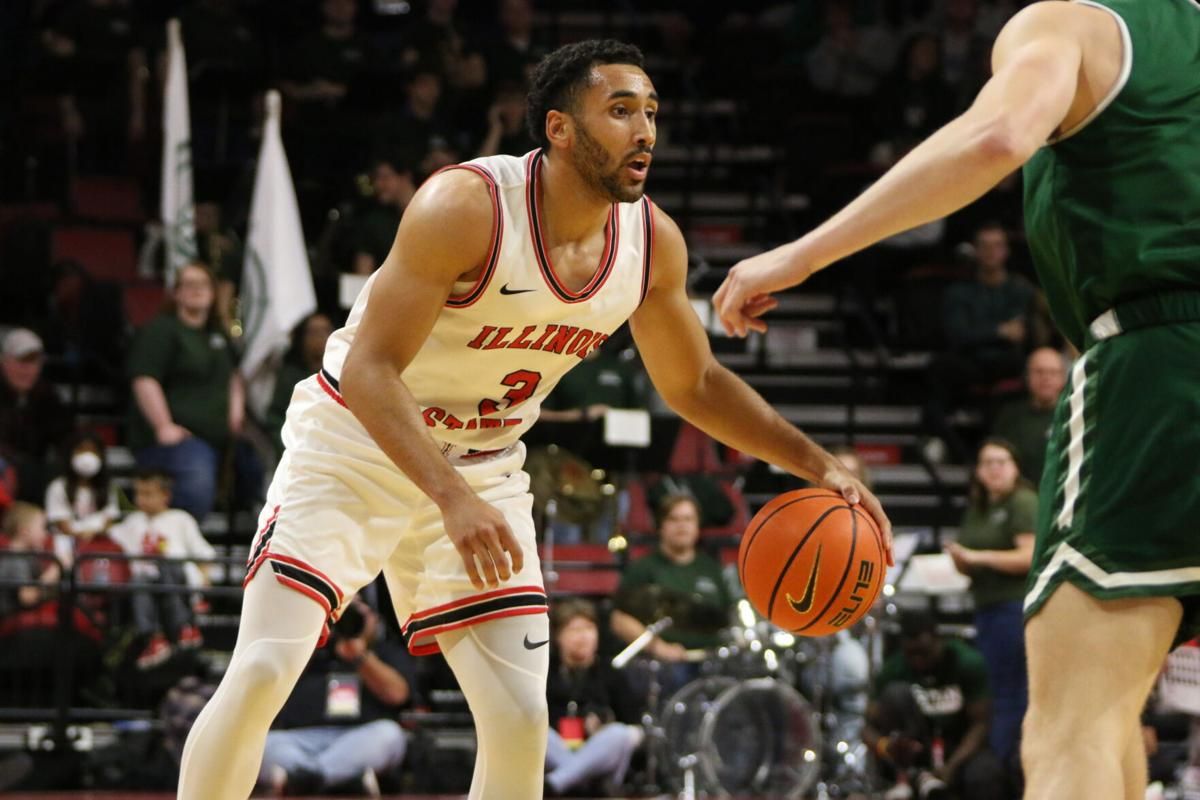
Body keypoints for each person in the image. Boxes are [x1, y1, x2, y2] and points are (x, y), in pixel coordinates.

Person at [179, 39, 889, 800]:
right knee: (261, 671)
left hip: (485, 460)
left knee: (520, 716)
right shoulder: (468, 206)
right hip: (357, 441)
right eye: (620, 111)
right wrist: (450, 499)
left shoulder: (653, 244)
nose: (645, 130)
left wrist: (819, 465)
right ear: (558, 128)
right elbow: (368, 370)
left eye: (652, 112)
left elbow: (697, 384)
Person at [713, 3, 1200, 797]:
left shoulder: (1075, 25)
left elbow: (998, 138)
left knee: (1071, 728)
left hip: (1162, 366)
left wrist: (802, 256)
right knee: (1117, 716)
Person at [259, 596, 414, 797]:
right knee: (262, 743)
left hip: (357, 739)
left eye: (355, 610)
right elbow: (274, 685)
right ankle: (342, 780)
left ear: (373, 618)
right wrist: (312, 638)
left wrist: (360, 657)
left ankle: (306, 779)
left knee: (390, 735)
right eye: (338, 611)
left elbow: (397, 695)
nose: (344, 617)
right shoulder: (305, 647)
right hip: (300, 740)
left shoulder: (385, 650)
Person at [127, 261, 244, 520]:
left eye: (203, 284)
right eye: (189, 284)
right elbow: (145, 378)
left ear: (214, 293)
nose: (197, 290)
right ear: (176, 292)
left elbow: (234, 377)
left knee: (260, 470)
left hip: (220, 440)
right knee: (196, 483)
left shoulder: (219, 335)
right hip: (179, 441)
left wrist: (235, 414)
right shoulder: (162, 330)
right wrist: (163, 426)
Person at [945, 438, 1035, 770]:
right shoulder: (978, 508)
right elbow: (968, 562)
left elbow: (1029, 555)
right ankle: (997, 768)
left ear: (1015, 467)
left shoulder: (1023, 502)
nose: (994, 469)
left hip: (1013, 607)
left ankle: (1007, 768)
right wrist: (959, 559)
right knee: (995, 689)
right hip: (986, 607)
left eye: (1001, 461)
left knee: (1011, 692)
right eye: (987, 462)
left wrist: (977, 556)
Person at [865, 611, 1005, 800]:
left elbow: (980, 724)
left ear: (939, 641)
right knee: (895, 693)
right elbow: (867, 729)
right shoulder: (894, 669)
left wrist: (951, 766)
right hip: (914, 750)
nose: (918, 660)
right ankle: (907, 777)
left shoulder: (967, 662)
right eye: (911, 654)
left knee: (986, 774)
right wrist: (886, 747)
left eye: (924, 653)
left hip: (958, 747)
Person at [610, 494, 734, 697]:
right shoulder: (643, 569)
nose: (681, 526)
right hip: (664, 664)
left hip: (711, 660)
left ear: (697, 526)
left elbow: (729, 616)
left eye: (688, 519)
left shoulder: (712, 570)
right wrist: (658, 647)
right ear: (661, 526)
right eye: (674, 519)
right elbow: (619, 619)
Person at [109, 469, 214, 669]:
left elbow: (204, 553)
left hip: (178, 580)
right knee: (139, 579)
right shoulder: (133, 522)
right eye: (138, 493)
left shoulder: (180, 519)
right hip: (147, 582)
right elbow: (109, 535)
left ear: (165, 495)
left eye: (148, 494)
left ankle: (185, 626)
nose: (141, 499)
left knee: (167, 565)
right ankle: (154, 638)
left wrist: (205, 581)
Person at [545, 597, 643, 797]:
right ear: (558, 636)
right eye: (574, 630)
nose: (583, 637)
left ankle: (556, 783)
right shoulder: (546, 672)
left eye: (589, 629)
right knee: (537, 732)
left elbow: (635, 727)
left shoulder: (611, 674)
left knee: (620, 734)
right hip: (559, 751)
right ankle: (579, 779)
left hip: (601, 756)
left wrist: (602, 727)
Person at [0, 328, 72, 503]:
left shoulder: (48, 397)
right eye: (21, 362)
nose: (27, 370)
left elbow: (66, 437)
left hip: (35, 475)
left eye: (34, 363)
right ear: (3, 362)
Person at [990, 347, 1066, 485]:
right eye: (1039, 372)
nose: (1046, 378)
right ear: (1027, 376)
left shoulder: (1073, 415)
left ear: (1063, 378)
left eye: (1053, 372)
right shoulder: (1010, 416)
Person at [265, 313, 335, 455]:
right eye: (314, 332)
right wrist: (289, 445)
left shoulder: (340, 375)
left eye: (325, 331)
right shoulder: (289, 376)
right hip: (297, 451)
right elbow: (274, 418)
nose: (320, 337)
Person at [43, 430, 120, 544]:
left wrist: (92, 533)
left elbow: (108, 522)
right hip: (65, 546)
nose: (87, 456)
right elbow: (62, 525)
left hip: (98, 546)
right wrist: (84, 533)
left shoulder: (109, 487)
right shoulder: (57, 487)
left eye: (93, 451)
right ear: (71, 454)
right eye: (81, 450)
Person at [351, 159, 417, 276]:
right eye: (376, 179)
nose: (378, 185)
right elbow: (363, 271)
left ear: (405, 177)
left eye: (385, 178)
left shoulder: (433, 212)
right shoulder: (374, 222)